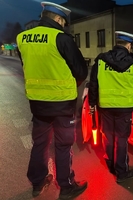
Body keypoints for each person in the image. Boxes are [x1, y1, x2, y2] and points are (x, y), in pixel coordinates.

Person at [16, 2, 88, 199]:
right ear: (57, 18)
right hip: (63, 104)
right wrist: (70, 85)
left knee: (40, 143)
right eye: (63, 22)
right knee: (63, 145)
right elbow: (81, 71)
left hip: (38, 104)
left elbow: (26, 65)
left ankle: (38, 182)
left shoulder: (22, 38)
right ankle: (66, 186)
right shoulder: (61, 39)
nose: (64, 25)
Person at [88, 31, 133, 183]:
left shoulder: (101, 60)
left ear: (116, 44)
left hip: (105, 106)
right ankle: (121, 171)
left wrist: (92, 103)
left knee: (108, 135)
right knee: (121, 139)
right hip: (125, 107)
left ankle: (110, 164)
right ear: (128, 45)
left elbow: (93, 83)